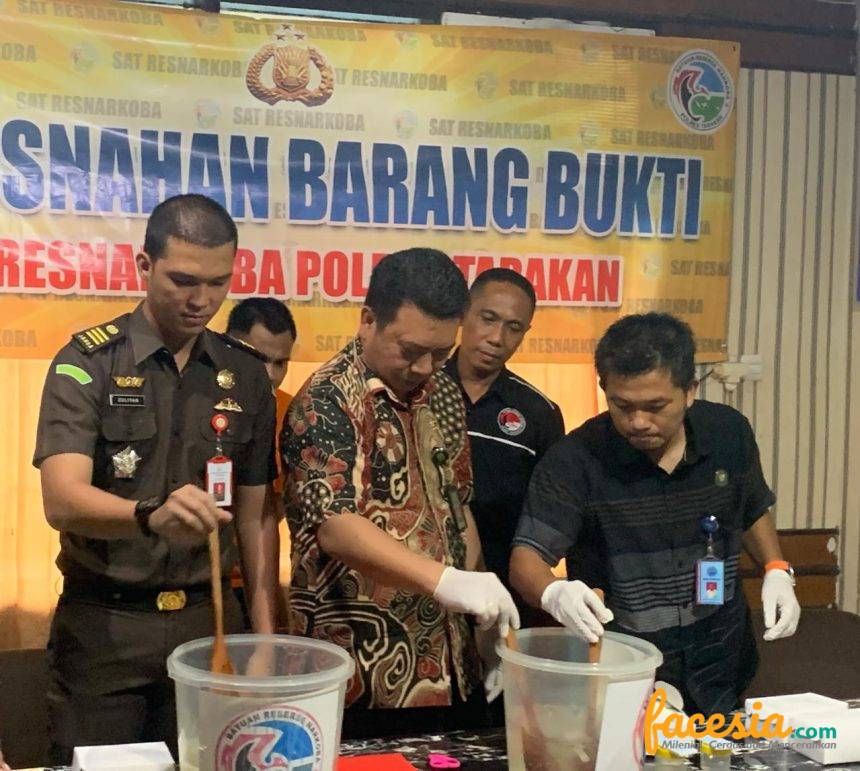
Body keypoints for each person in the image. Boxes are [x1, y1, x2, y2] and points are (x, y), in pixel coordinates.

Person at [33, 194, 279, 763]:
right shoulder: (88, 363)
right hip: (105, 629)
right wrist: (148, 514)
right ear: (144, 265)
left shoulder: (245, 374)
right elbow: (61, 499)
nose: (202, 300)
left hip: (209, 624)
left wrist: (265, 638)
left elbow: (255, 517)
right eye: (183, 280)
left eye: (218, 283)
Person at [510, 313, 801, 716]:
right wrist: (553, 593)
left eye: (655, 407)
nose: (638, 422)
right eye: (622, 406)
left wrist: (776, 568)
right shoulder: (575, 460)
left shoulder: (728, 432)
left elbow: (750, 507)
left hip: (720, 653)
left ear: (689, 391)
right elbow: (525, 559)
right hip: (626, 662)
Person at [281, 248, 519, 739]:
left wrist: (483, 608)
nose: (425, 366)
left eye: (442, 353)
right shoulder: (328, 397)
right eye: (411, 350)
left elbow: (457, 504)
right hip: (364, 675)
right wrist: (445, 581)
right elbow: (336, 526)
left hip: (453, 665)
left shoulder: (442, 392)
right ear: (368, 321)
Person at [444, 268, 564, 591]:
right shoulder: (418, 390)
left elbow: (548, 515)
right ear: (463, 313)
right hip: (421, 579)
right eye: (488, 319)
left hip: (505, 589)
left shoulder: (540, 413)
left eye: (513, 327)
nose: (497, 338)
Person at [226, 298, 297, 630]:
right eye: (258, 358)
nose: (269, 374)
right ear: (227, 345)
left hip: (257, 583)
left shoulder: (293, 413)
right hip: (195, 580)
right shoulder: (195, 397)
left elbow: (272, 511)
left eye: (280, 363)